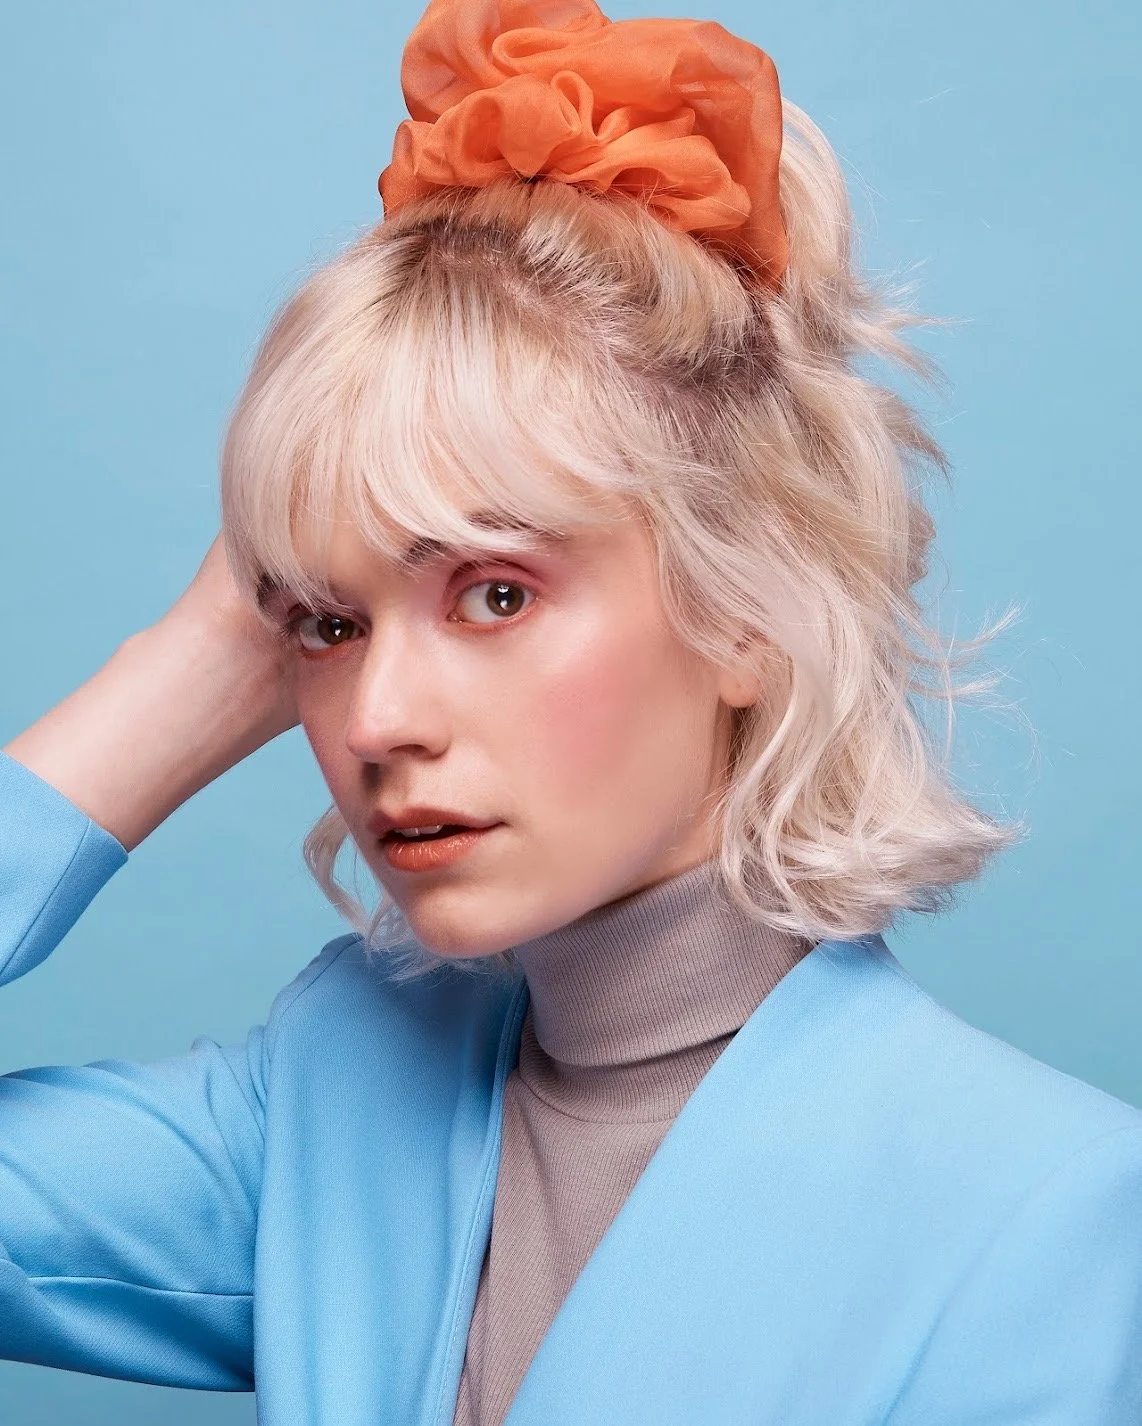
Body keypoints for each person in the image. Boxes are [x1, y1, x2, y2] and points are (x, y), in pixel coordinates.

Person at [2, 0, 1141, 1422]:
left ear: (746, 607)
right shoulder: (327, 1107)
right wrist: (185, 666)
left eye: (494, 594)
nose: (377, 719)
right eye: (329, 625)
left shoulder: (1052, 1229)